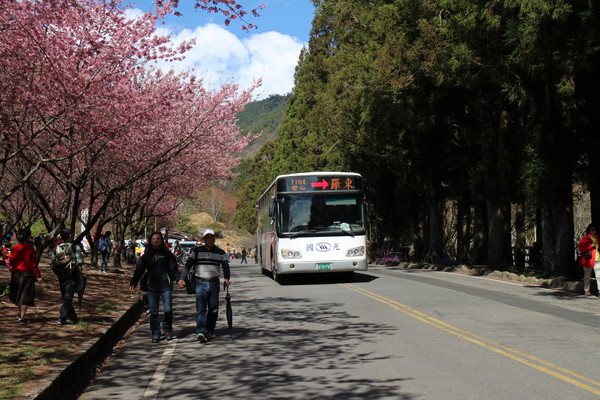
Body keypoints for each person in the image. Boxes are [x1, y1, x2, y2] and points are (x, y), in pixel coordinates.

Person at [178, 228, 230, 343]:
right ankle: (201, 331)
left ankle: (209, 330)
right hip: (200, 282)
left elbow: (225, 266)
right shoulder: (196, 251)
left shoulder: (220, 252)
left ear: (214, 239)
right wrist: (182, 279)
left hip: (214, 282)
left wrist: (227, 278)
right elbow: (188, 266)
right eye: (207, 237)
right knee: (201, 308)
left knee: (214, 309)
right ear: (204, 239)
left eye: (211, 237)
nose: (209, 239)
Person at [129, 232, 179, 343]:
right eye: (153, 239)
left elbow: (174, 269)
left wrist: (179, 279)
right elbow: (139, 270)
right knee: (154, 311)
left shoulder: (167, 255)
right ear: (150, 241)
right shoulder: (146, 256)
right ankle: (155, 333)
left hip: (166, 285)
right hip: (152, 286)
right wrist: (134, 282)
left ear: (161, 241)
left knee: (168, 309)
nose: (155, 240)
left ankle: (167, 330)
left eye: (158, 239)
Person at [52, 229, 86, 325]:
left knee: (66, 296)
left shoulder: (56, 248)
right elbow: (80, 261)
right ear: (70, 236)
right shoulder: (75, 247)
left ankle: (73, 317)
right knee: (68, 296)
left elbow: (53, 261)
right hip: (72, 274)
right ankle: (62, 317)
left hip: (61, 275)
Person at [8, 229, 42, 324]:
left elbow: (11, 260)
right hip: (27, 274)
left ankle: (20, 315)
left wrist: (13, 269)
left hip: (16, 274)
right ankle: (22, 318)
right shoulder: (30, 249)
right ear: (28, 237)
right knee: (25, 295)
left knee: (18, 294)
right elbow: (34, 264)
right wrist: (38, 275)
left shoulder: (15, 248)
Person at [577, 223, 600, 296]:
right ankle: (586, 289)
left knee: (599, 276)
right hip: (588, 260)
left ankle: (599, 291)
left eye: (595, 230)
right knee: (587, 276)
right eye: (592, 230)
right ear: (589, 231)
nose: (594, 231)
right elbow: (581, 248)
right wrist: (590, 246)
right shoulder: (585, 238)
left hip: (597, 259)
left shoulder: (598, 238)